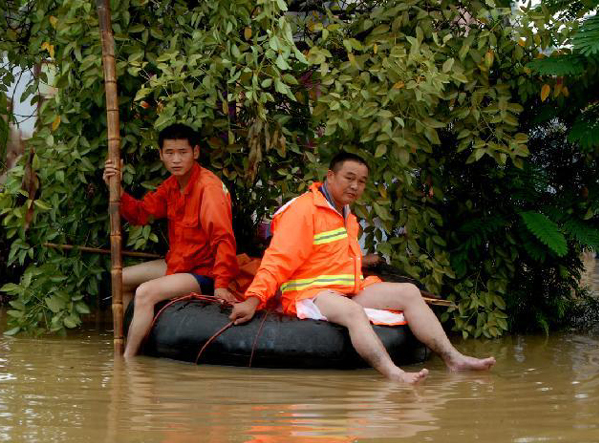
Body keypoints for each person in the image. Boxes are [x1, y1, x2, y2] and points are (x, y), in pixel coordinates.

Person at [229, 151, 496, 383]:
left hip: (346, 287)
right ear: (330, 176)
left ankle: (454, 359)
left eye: (362, 181)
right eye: (349, 178)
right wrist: (253, 300)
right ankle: (394, 374)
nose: (356, 186)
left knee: (410, 293)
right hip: (309, 293)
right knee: (354, 312)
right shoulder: (303, 211)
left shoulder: (346, 214)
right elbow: (277, 260)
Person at [103, 123, 239, 358]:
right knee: (120, 279)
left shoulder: (209, 188)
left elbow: (223, 239)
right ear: (161, 155)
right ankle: (132, 338)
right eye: (169, 153)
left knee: (145, 292)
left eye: (182, 153)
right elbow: (140, 214)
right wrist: (115, 187)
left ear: (195, 153)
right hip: (178, 265)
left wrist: (221, 285)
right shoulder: (172, 185)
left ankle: (127, 361)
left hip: (204, 272)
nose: (176, 159)